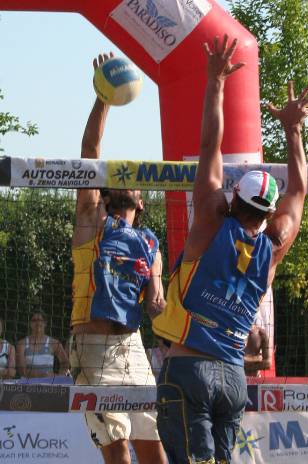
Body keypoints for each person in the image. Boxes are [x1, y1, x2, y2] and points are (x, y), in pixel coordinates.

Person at [153, 34, 308, 463]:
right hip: (232, 378)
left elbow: (209, 147)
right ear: (267, 214)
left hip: (188, 371)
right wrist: (293, 128)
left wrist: (216, 83)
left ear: (234, 199)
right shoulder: (274, 245)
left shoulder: (209, 221)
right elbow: (298, 192)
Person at [69, 53, 167, 464]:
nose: (126, 179)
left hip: (133, 344)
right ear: (106, 193)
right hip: (92, 345)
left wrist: (168, 307)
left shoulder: (151, 244)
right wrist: (103, 95)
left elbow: (156, 304)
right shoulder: (94, 218)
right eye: (118, 175)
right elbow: (90, 149)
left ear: (141, 200)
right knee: (119, 453)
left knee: (154, 449)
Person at [16, 310, 69, 378]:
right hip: (27, 385)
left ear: (45, 323)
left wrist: (59, 377)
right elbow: (22, 371)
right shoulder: (22, 344)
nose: (38, 323)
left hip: (49, 385)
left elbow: (65, 363)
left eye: (40, 320)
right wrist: (45, 375)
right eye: (34, 320)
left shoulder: (54, 343)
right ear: (30, 323)